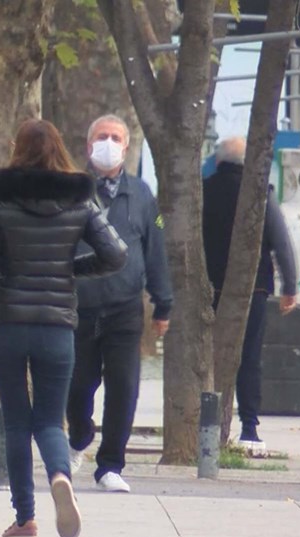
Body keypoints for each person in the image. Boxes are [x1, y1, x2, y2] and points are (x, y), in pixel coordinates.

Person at [0, 119, 127, 537]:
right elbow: (115, 254)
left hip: (8, 322)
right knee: (51, 421)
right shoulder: (79, 199)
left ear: (18, 148)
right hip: (57, 325)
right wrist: (71, 270)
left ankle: (25, 517)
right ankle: (59, 477)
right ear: (61, 149)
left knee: (16, 420)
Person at [67, 114, 173, 494]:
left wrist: (164, 303)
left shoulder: (142, 195)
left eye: (115, 137)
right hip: (78, 306)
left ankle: (110, 463)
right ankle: (80, 435)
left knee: (124, 386)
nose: (107, 143)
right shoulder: (71, 189)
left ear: (127, 148)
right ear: (88, 144)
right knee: (77, 385)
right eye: (101, 137)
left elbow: (155, 250)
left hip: (125, 308)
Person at [202, 137, 298, 452]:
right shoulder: (259, 194)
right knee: (249, 357)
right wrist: (290, 286)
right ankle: (249, 427)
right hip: (252, 289)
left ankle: (206, 424)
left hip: (208, 288)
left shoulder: (202, 191)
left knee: (208, 357)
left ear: (218, 162)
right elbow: (280, 241)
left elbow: (165, 226)